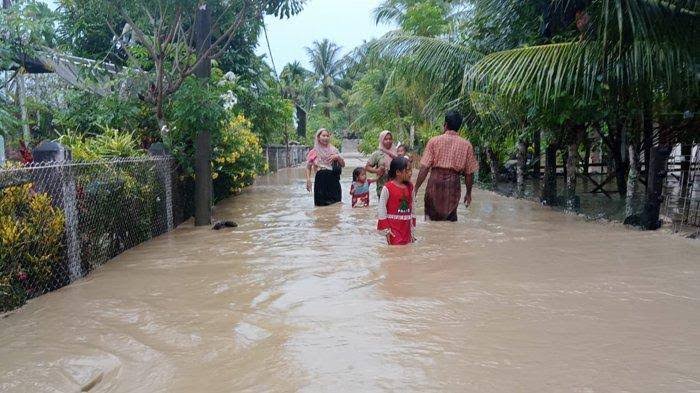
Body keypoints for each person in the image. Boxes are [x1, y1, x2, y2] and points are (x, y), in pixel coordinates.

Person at [414, 111, 479, 221]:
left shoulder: (434, 141)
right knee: (450, 219)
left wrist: (415, 188)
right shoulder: (466, 145)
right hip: (453, 184)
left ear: (445, 125)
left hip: (435, 181)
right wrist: (468, 193)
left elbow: (425, 167)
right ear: (459, 127)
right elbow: (469, 173)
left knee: (430, 218)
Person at [377, 157, 416, 245]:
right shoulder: (387, 188)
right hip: (393, 229)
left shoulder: (410, 187)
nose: (410, 173)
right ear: (398, 172)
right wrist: (386, 230)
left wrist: (413, 229)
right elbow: (381, 209)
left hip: (406, 228)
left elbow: (413, 207)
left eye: (411, 171)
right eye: (407, 171)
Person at [306, 128, 345, 206]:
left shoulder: (334, 150)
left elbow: (343, 165)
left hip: (334, 179)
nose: (326, 138)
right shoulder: (314, 152)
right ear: (318, 137)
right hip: (320, 180)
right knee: (320, 205)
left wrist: (338, 157)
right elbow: (308, 167)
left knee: (336, 203)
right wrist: (308, 180)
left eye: (327, 136)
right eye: (323, 136)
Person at [365, 130, 396, 198]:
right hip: (382, 187)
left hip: (396, 187)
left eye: (390, 139)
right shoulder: (377, 154)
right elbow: (367, 167)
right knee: (383, 207)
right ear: (381, 140)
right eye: (385, 139)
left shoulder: (396, 152)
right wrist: (377, 171)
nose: (388, 141)